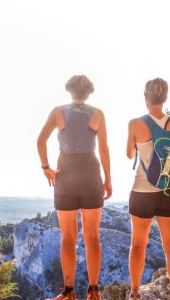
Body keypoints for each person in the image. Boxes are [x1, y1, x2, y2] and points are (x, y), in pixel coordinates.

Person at [37, 75, 113, 300]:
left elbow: (41, 141)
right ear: (89, 92)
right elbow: (104, 149)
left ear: (69, 90)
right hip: (90, 175)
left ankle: (68, 292)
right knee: (92, 236)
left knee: (68, 237)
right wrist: (108, 179)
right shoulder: (97, 114)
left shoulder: (58, 112)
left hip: (66, 175)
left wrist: (46, 168)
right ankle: (94, 290)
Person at [126, 78, 170, 300]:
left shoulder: (136, 123)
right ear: (165, 97)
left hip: (142, 191)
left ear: (146, 97)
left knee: (138, 244)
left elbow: (129, 155)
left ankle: (134, 292)